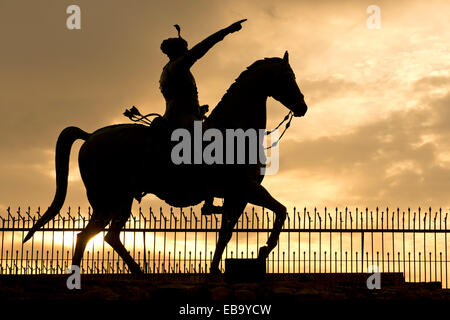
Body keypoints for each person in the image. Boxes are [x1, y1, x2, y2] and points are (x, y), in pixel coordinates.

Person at [159, 19, 246, 129]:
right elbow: (203, 46)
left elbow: (180, 98)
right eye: (185, 49)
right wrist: (227, 30)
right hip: (183, 120)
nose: (188, 51)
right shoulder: (178, 65)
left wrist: (199, 110)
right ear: (177, 51)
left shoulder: (168, 69)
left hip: (178, 116)